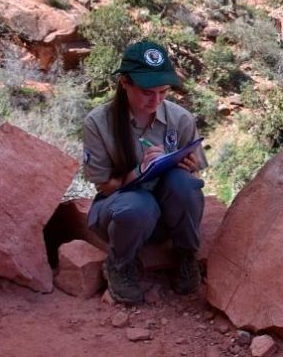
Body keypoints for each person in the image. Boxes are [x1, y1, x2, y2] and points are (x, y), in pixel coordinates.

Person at [83, 40, 207, 304]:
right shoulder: (98, 122)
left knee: (184, 185)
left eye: (163, 92)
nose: (157, 100)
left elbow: (194, 180)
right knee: (138, 205)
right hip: (122, 212)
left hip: (165, 214)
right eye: (148, 92)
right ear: (124, 83)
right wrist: (139, 171)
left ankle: (186, 255)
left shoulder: (181, 119)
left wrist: (190, 168)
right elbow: (105, 186)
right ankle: (120, 263)